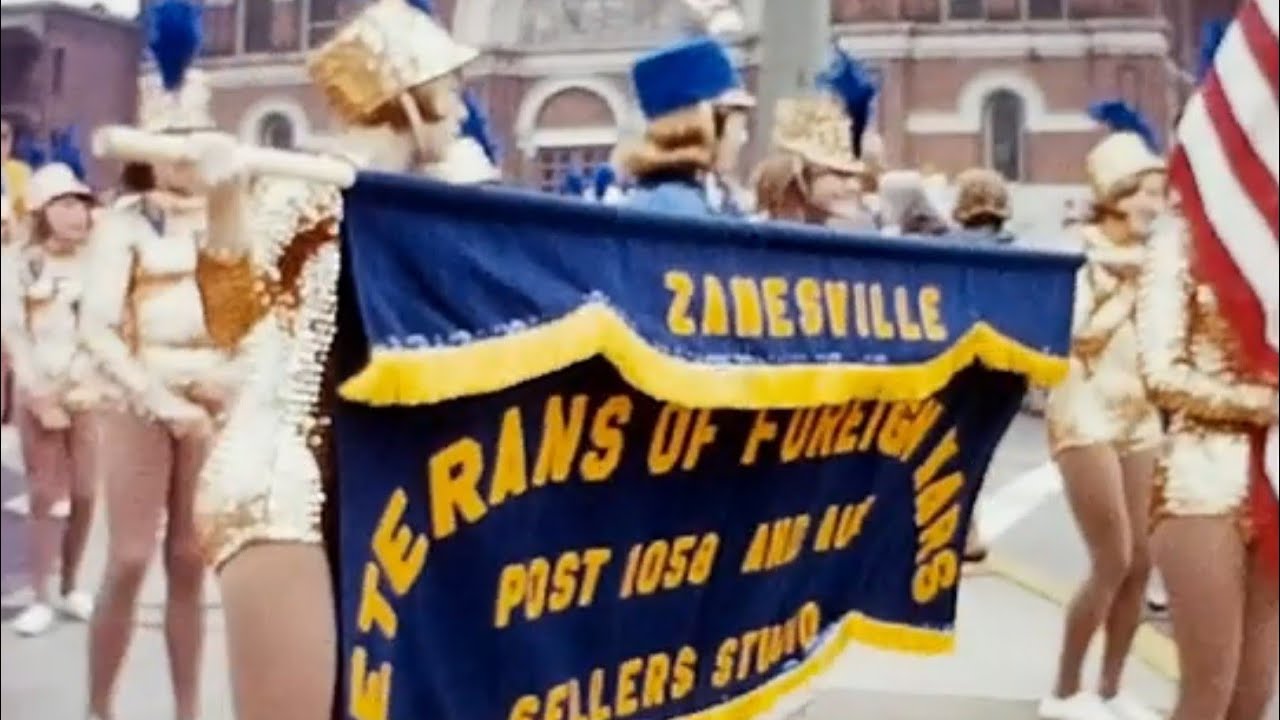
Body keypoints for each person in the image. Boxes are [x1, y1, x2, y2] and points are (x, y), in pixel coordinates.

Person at [185, 3, 484, 718]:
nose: (465, 111)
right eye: (452, 90)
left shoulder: (411, 201)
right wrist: (224, 199)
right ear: (408, 98)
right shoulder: (308, 183)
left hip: (361, 482)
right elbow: (230, 319)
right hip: (279, 484)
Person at [80, 3, 239, 717]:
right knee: (131, 557)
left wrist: (231, 378)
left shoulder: (227, 219)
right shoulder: (122, 225)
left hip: (212, 400)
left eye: (194, 146)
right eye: (172, 146)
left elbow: (249, 316)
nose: (184, 161)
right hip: (140, 398)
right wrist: (160, 399)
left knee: (189, 563)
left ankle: (185, 709)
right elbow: (98, 331)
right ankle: (100, 704)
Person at [1038, 100, 1167, 720]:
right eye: (1146, 192)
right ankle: (1064, 690)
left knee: (1142, 562)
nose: (1157, 204)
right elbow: (1079, 338)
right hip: (1082, 412)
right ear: (1113, 194)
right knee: (1111, 555)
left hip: (1140, 416)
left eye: (1161, 194)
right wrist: (1131, 285)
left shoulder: (1160, 263)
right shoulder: (1076, 256)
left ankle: (1111, 691)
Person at [1136, 212, 1278, 718]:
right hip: (1201, 475)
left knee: (1254, 695)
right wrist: (1262, 403)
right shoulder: (1180, 235)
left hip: (1274, 480)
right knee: (1209, 690)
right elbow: (1160, 372)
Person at [0, 162, 100, 637]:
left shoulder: (99, 261)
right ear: (41, 210)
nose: (76, 213)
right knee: (47, 496)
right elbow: (14, 333)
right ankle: (40, 596)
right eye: (64, 204)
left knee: (84, 493)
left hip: (88, 391)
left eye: (81, 203)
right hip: (40, 390)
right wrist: (39, 394)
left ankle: (72, 584)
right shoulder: (19, 264)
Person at [621, 35, 754, 217]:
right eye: (737, 123)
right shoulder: (674, 208)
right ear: (710, 125)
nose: (742, 138)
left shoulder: (668, 197)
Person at [753, 47, 878, 230]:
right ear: (798, 178)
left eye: (854, 176)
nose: (853, 186)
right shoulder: (755, 240)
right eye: (839, 174)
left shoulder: (862, 237)